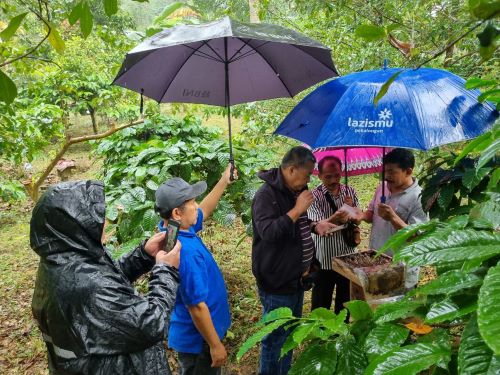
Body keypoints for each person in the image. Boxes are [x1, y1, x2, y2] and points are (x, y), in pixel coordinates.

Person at [30, 180, 180, 375]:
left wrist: (143, 255)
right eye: (95, 218)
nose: (104, 223)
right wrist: (166, 270)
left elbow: (104, 279)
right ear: (76, 224)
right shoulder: (86, 285)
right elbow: (151, 324)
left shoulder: (63, 259)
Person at [251, 146, 337, 375]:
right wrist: (298, 209)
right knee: (275, 336)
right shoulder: (265, 196)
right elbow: (268, 232)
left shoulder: (295, 189)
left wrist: (314, 225)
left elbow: (299, 223)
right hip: (276, 280)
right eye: (307, 174)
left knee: (289, 333)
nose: (310, 178)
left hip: (298, 278)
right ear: (290, 170)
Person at [155, 164, 237, 375]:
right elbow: (196, 307)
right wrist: (215, 345)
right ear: (177, 212)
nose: (197, 206)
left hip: (197, 339)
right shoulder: (185, 252)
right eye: (192, 203)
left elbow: (205, 210)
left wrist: (223, 180)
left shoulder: (172, 229)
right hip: (199, 342)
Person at [361, 148, 428, 288]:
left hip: (401, 267)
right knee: (375, 305)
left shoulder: (419, 197)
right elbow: (371, 214)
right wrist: (359, 215)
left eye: (392, 172)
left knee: (398, 307)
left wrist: (392, 217)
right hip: (376, 260)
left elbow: (417, 237)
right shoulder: (382, 187)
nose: (386, 176)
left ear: (408, 171)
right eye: (385, 171)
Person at [308, 156, 361, 313]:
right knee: (321, 301)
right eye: (328, 176)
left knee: (345, 301)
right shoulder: (314, 196)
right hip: (324, 257)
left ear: (341, 173)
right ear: (319, 176)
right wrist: (336, 217)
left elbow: (358, 221)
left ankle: (341, 332)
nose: (333, 180)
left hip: (347, 255)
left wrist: (352, 211)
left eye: (337, 175)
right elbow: (318, 226)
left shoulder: (349, 191)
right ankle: (320, 334)